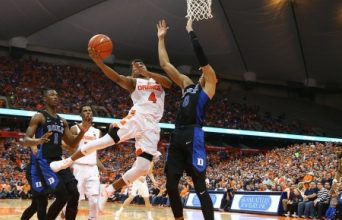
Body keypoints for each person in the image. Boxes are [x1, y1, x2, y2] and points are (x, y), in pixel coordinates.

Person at [50, 44, 172, 201]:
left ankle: (109, 190)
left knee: (142, 168)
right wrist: (99, 63)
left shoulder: (158, 81)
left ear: (146, 67)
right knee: (103, 142)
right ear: (132, 71)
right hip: (138, 118)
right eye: (134, 66)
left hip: (153, 126)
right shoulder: (133, 82)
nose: (137, 67)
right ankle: (66, 162)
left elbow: (169, 82)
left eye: (140, 64)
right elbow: (116, 77)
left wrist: (147, 73)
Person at [156, 19, 218, 220]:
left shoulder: (209, 87)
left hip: (194, 133)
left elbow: (202, 57)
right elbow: (165, 64)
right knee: (170, 186)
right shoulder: (186, 84)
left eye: (204, 69)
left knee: (200, 188)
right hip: (178, 134)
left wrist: (191, 31)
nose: (202, 70)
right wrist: (161, 39)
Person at [21, 89, 90, 220]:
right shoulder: (39, 117)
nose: (55, 97)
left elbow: (71, 144)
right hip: (44, 162)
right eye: (52, 95)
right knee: (60, 196)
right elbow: (25, 140)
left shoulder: (62, 121)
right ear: (45, 99)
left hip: (58, 160)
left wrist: (82, 132)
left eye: (57, 95)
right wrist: (38, 140)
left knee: (74, 193)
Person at [63, 105, 106, 220]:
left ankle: (92, 218)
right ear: (81, 114)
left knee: (94, 199)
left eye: (90, 111)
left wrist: (102, 167)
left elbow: (94, 153)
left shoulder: (98, 132)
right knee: (73, 198)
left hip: (92, 168)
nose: (88, 112)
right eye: (85, 111)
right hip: (78, 167)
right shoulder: (74, 128)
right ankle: (63, 216)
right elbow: (70, 148)